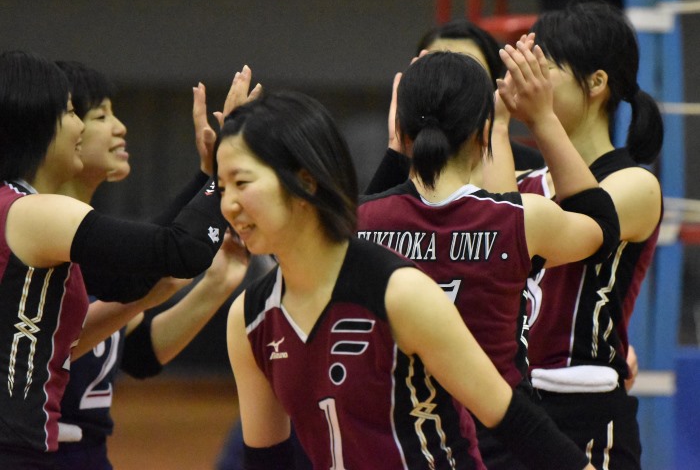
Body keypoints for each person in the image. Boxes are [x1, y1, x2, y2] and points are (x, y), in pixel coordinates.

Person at [221, 90, 597, 469]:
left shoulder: (400, 293)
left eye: (241, 182)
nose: (228, 205)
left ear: (305, 182)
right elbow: (267, 462)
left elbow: (516, 421)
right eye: (222, 188)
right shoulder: (248, 318)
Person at [357, 50, 619, 469]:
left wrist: (396, 150)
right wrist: (540, 119)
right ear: (482, 134)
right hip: (504, 443)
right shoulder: (521, 219)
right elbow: (602, 227)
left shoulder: (356, 223)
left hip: (397, 445)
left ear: (401, 131)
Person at [0, 50, 225, 469]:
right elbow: (180, 251)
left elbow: (133, 282)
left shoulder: (25, 212)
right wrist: (223, 175)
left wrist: (209, 181)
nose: (80, 128)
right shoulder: (31, 213)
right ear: (37, 122)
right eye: (74, 112)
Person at [48, 60, 252, 470]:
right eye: (101, 116)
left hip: (87, 454)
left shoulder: (92, 238)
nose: (120, 127)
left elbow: (139, 353)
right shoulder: (42, 230)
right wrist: (219, 172)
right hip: (42, 454)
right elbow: (169, 251)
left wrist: (217, 283)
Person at [501, 0, 663, 469]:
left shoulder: (635, 184)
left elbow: (568, 232)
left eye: (544, 67)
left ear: (596, 83)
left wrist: (541, 120)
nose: (530, 79)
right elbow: (492, 245)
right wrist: (494, 121)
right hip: (517, 406)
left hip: (586, 411)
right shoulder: (525, 183)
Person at [365, 18, 543, 195]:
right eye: (437, 73)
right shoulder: (397, 165)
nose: (451, 87)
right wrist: (396, 150)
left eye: (468, 74)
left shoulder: (533, 168)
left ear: (497, 87)